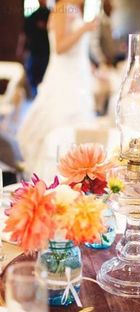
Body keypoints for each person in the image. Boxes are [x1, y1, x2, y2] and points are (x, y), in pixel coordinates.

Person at [18, 0, 97, 180]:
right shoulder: (63, 8)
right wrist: (84, 29)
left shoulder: (74, 9)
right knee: (61, 128)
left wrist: (91, 67)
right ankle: (53, 179)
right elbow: (60, 47)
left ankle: (76, 178)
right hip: (64, 80)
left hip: (78, 77)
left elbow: (77, 49)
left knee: (79, 129)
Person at [17, 0, 50, 97]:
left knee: (40, 77)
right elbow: (24, 35)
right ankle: (36, 95)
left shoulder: (50, 15)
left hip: (43, 53)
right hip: (37, 52)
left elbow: (23, 35)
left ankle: (38, 95)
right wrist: (21, 49)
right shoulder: (33, 16)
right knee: (34, 77)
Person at [89, 0, 116, 67]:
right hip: (100, 64)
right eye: (109, 4)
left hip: (111, 62)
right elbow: (94, 45)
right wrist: (102, 61)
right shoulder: (98, 22)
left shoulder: (110, 22)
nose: (111, 7)